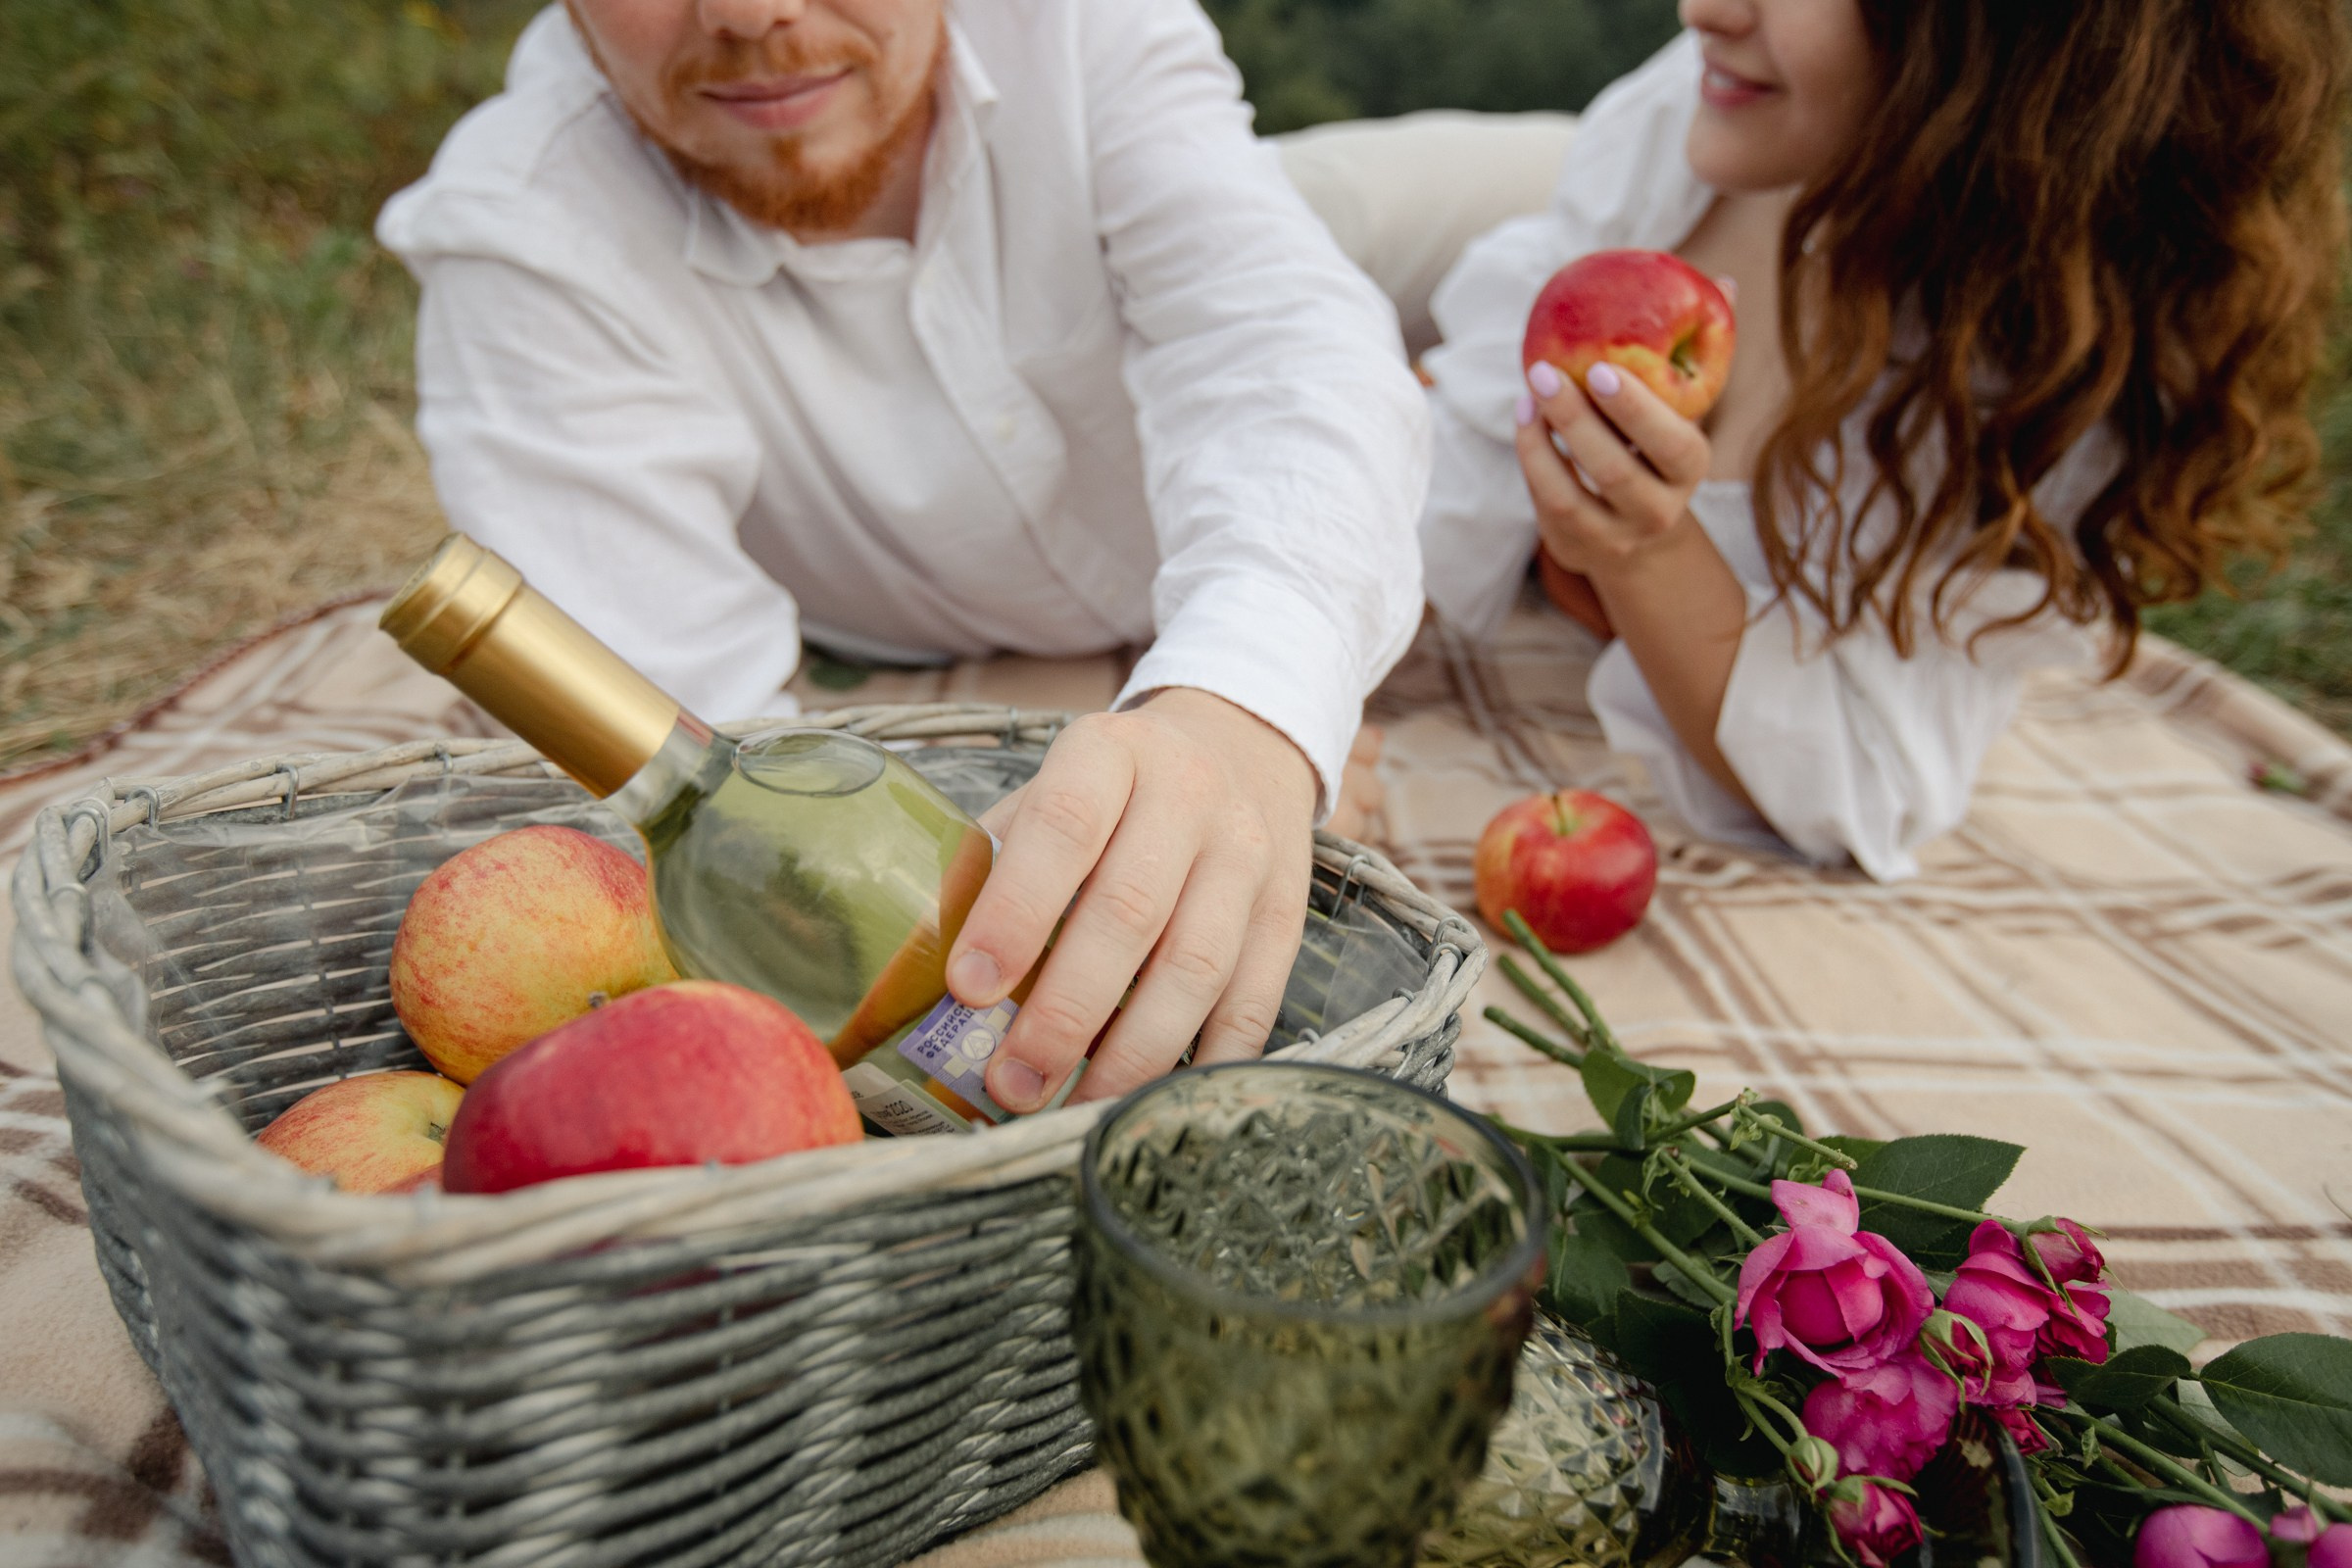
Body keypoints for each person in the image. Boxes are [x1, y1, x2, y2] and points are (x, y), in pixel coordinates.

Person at [375, 0, 1433, 1114]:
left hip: (1319, 199)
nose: (750, 13)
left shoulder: (1081, 29)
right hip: (942, 631)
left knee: (1528, 203)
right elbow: (739, 805)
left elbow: (1288, 353)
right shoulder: (518, 219)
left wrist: (1251, 701)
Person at [1417, 0, 2348, 880]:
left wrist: (1645, 552)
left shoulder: (2029, 379)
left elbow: (1862, 782)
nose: (1703, 9)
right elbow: (1473, 421)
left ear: (1996, 47)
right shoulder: (1712, 102)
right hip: (1505, 187)